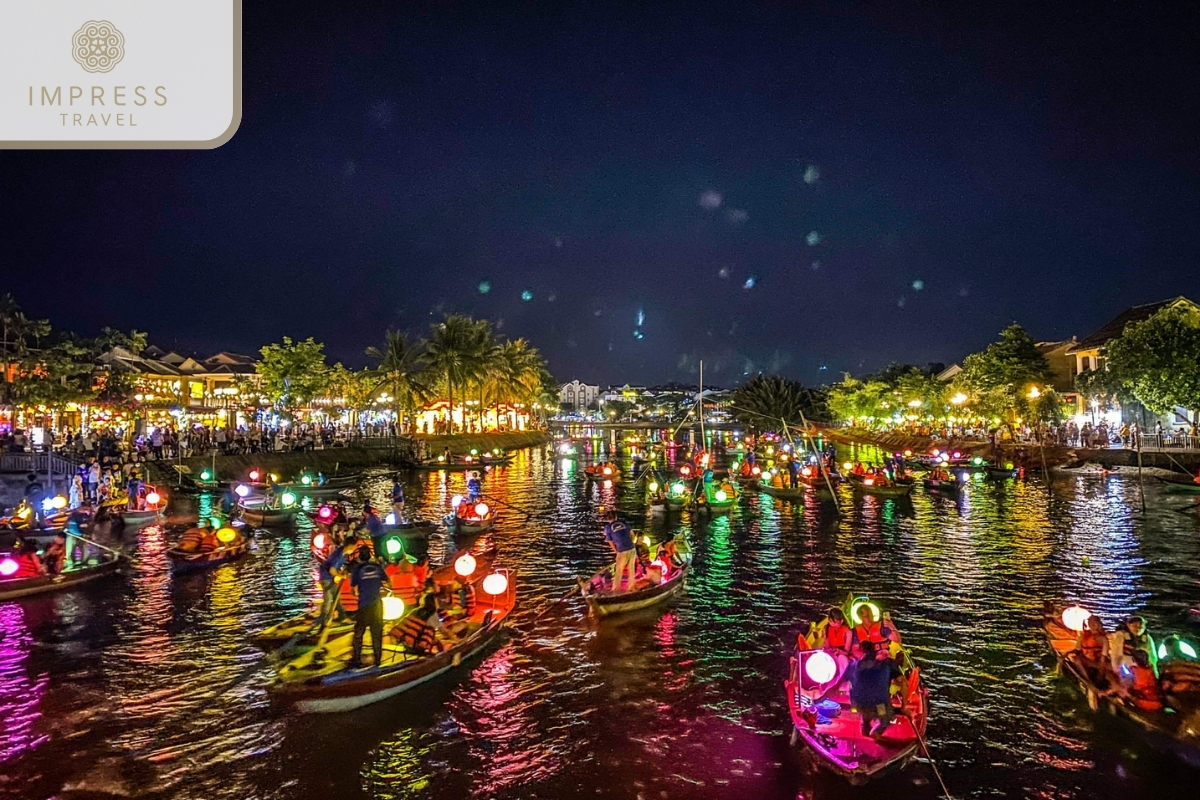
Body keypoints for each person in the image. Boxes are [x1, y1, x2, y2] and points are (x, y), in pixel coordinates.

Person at [849, 640, 902, 737]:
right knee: (885, 719)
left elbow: (846, 681)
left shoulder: (854, 664)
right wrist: (905, 705)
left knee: (866, 706)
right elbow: (902, 682)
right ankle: (875, 733)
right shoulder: (886, 664)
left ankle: (866, 724)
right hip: (879, 703)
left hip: (858, 703)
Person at [349, 546, 387, 669]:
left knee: (358, 634)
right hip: (376, 605)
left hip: (364, 605)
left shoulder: (357, 569)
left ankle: (356, 660)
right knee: (377, 635)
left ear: (360, 556)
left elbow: (352, 589)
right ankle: (378, 661)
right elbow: (387, 582)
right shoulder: (377, 568)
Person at [315, 538, 348, 636]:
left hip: (330, 578)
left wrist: (341, 572)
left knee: (336, 598)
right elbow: (332, 570)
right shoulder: (338, 556)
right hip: (327, 578)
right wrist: (342, 575)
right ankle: (323, 622)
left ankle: (343, 617)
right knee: (328, 600)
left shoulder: (342, 553)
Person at [604, 511, 637, 593]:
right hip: (632, 548)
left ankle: (616, 589)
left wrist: (616, 550)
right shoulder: (624, 522)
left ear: (607, 519)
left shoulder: (608, 527)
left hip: (622, 551)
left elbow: (610, 541)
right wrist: (631, 543)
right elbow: (632, 535)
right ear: (616, 517)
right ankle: (631, 588)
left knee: (619, 571)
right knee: (631, 569)